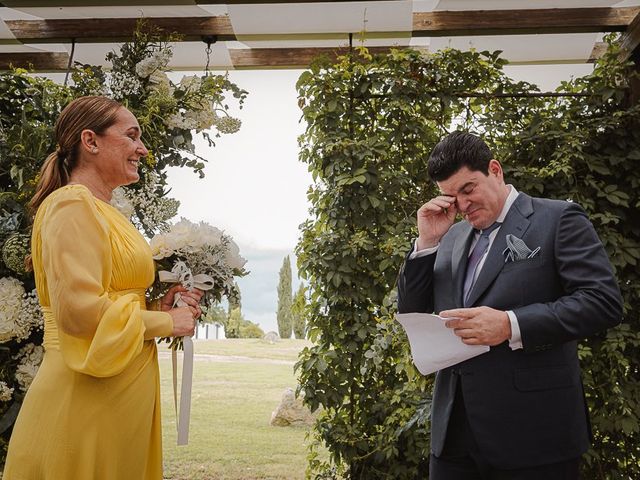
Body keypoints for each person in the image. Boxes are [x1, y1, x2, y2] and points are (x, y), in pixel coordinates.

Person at [397, 131, 622, 480]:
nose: (463, 204)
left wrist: (511, 324)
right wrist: (426, 242)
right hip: (454, 434)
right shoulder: (451, 235)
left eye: (468, 189)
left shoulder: (558, 219)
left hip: (535, 434)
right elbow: (413, 307)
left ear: (495, 170)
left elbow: (602, 302)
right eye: (451, 196)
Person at [3, 96, 203, 479]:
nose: (142, 150)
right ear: (90, 141)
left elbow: (112, 297)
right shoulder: (71, 206)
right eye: (131, 136)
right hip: (83, 400)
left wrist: (157, 309)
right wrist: (168, 324)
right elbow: (79, 312)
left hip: (119, 397)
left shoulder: (106, 211)